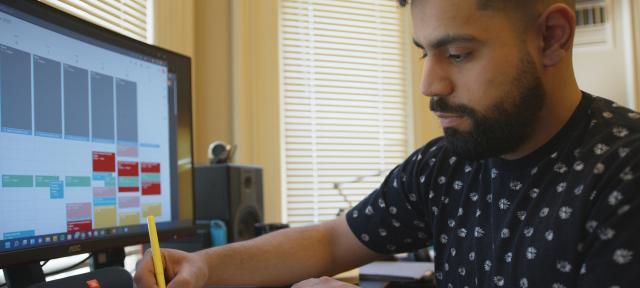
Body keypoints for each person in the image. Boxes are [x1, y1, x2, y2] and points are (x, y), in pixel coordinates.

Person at [135, 0, 640, 287]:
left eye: (458, 54)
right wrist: (205, 266)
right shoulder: (445, 167)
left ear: (552, 37)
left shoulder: (624, 169)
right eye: (424, 53)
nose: (429, 84)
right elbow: (334, 240)